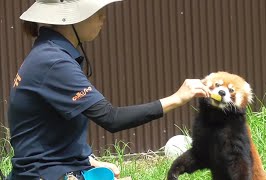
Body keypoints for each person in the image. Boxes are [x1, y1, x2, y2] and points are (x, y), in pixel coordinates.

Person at [7, 0, 212, 179]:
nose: (102, 16)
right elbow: (111, 118)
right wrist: (177, 98)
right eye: (95, 11)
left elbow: (46, 130)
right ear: (70, 18)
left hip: (50, 168)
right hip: (43, 174)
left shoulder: (49, 52)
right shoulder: (54, 62)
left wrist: (90, 161)